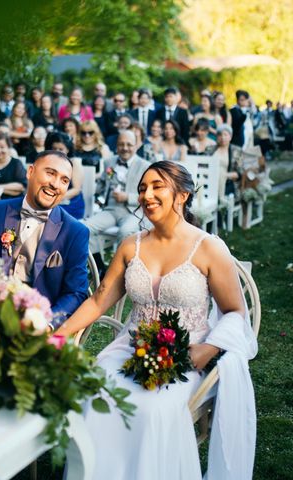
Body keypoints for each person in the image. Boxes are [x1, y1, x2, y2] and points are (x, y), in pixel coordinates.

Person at [56, 161, 257, 479]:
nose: (146, 195)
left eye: (156, 186)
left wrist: (208, 350)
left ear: (182, 195)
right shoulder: (129, 246)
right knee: (94, 395)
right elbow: (98, 300)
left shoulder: (208, 248)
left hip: (186, 354)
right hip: (131, 346)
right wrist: (60, 334)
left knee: (153, 412)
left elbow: (235, 311)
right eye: (141, 188)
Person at [0, 151, 89, 326]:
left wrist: (46, 324)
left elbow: (75, 293)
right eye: (50, 173)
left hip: (37, 323)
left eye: (64, 180)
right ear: (30, 172)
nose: (55, 184)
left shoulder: (75, 231)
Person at [85, 130, 151, 274]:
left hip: (133, 211)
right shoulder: (110, 162)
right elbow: (102, 185)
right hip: (111, 210)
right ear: (116, 145)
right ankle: (99, 265)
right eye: (121, 144)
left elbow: (149, 194)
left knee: (125, 231)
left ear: (136, 146)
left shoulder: (145, 166)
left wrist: (127, 197)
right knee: (84, 227)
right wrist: (99, 191)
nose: (125, 148)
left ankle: (120, 271)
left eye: (129, 144)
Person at [46, 132, 85, 220]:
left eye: (61, 149)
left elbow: (76, 190)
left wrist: (54, 199)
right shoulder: (47, 162)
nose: (57, 152)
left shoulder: (74, 163)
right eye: (54, 148)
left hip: (71, 203)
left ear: (67, 150)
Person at [213, 124, 242, 203]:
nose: (222, 138)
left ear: (230, 136)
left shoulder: (237, 151)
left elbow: (240, 173)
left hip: (228, 182)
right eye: (220, 135)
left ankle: (221, 202)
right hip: (211, 181)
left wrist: (224, 175)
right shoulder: (210, 149)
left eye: (225, 135)